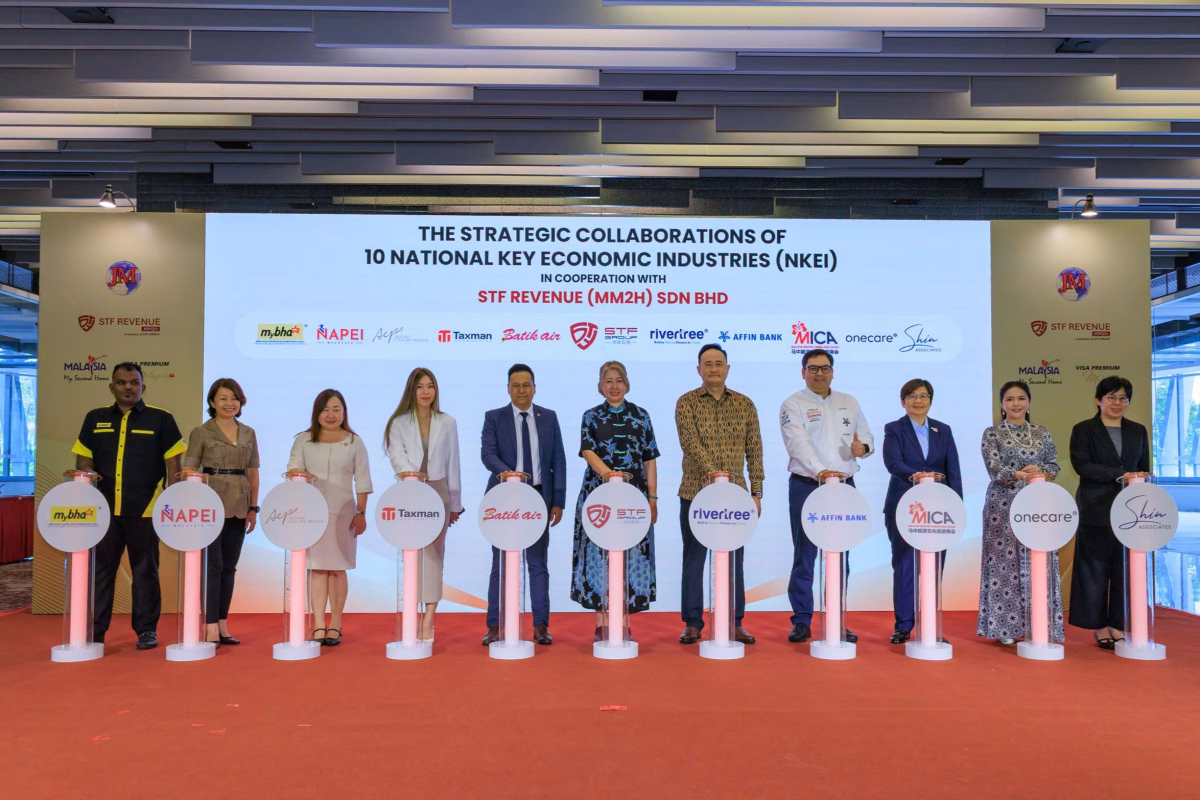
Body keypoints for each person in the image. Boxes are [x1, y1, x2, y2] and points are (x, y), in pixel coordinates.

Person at [71, 362, 185, 650]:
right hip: (104, 511)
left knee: (145, 571)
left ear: (143, 387)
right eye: (122, 382)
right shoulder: (94, 418)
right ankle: (95, 631)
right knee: (102, 571)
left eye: (134, 382)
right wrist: (87, 479)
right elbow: (83, 461)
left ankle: (146, 630)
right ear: (112, 387)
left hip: (145, 511)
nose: (128, 387)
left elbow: (174, 464)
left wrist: (171, 505)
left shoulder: (161, 419)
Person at [779, 348, 873, 644]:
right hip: (807, 485)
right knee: (804, 554)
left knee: (840, 556)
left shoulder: (849, 402)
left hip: (844, 487)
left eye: (825, 368)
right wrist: (823, 472)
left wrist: (864, 449)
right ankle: (802, 620)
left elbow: (866, 436)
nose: (820, 373)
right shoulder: (792, 404)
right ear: (803, 371)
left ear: (833, 371)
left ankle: (836, 619)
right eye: (813, 368)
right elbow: (797, 444)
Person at [676, 343, 764, 645]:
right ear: (698, 369)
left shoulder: (744, 404)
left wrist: (756, 492)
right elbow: (690, 443)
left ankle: (734, 621)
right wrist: (715, 472)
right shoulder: (686, 402)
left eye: (719, 363)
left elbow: (755, 451)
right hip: (695, 491)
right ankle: (692, 623)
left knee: (734, 560)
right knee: (694, 559)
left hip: (735, 498)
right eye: (707, 364)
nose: (713, 368)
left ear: (727, 368)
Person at [571, 361, 660, 640]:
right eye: (608, 381)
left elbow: (649, 459)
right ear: (600, 385)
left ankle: (622, 623)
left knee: (630, 556)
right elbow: (588, 451)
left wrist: (653, 498)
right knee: (599, 556)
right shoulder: (591, 416)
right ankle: (601, 622)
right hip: (599, 497)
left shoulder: (641, 415)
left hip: (635, 499)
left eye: (618, 380)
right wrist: (610, 477)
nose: (613, 386)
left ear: (627, 383)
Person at [480, 364, 567, 646]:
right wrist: (509, 474)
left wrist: (559, 501)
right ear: (508, 388)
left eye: (526, 385)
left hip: (540, 499)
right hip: (504, 499)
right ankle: (494, 627)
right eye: (515, 385)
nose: (521, 390)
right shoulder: (494, 417)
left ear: (534, 387)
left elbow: (558, 461)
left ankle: (541, 625)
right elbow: (488, 454)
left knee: (538, 564)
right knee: (500, 565)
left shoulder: (549, 417)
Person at [977, 381, 1064, 645]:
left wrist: (1041, 472)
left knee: (1040, 562)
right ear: (1002, 404)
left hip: (1038, 505)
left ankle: (1039, 624)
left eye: (1021, 398)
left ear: (1029, 402)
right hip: (1002, 506)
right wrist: (1018, 474)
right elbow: (994, 468)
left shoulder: (1041, 432)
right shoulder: (992, 433)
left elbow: (1054, 464)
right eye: (1010, 399)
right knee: (1004, 563)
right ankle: (1005, 627)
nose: (1016, 404)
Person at [1068, 375, 1150, 649]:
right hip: (1096, 508)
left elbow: (1143, 467)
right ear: (1098, 400)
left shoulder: (1138, 431)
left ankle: (1118, 625)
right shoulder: (1083, 429)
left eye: (1123, 398)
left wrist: (1137, 479)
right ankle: (1099, 627)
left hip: (1132, 511)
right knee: (1095, 569)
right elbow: (1082, 466)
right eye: (1111, 397)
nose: (1117, 403)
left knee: (1125, 569)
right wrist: (1121, 475)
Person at [286, 389, 373, 646]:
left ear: (344, 412)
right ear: (317, 413)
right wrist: (296, 472)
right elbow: (293, 467)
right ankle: (319, 625)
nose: (331, 414)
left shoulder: (354, 441)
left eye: (336, 409)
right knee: (316, 569)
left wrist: (361, 512)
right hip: (310, 513)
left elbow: (363, 480)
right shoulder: (303, 440)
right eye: (325, 409)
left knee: (337, 570)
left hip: (343, 513)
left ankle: (335, 623)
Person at [384, 367, 463, 642]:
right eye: (420, 387)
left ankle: (428, 619)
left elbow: (454, 464)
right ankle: (409, 614)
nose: (426, 391)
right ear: (411, 390)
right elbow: (397, 456)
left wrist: (455, 504)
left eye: (430, 386)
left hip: (438, 492)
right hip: (409, 493)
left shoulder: (448, 422)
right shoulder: (398, 423)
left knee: (434, 557)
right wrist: (412, 477)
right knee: (412, 556)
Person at [883, 379, 963, 644]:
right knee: (905, 566)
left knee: (933, 567)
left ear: (930, 400)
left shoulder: (944, 430)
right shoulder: (894, 429)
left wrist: (957, 505)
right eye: (912, 396)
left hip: (939, 510)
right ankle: (904, 626)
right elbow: (893, 462)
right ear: (902, 401)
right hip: (905, 506)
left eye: (923, 396)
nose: (918, 401)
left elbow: (953, 470)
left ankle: (930, 624)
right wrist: (916, 475)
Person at [182, 378, 261, 646]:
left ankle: (223, 625)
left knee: (229, 568)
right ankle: (210, 626)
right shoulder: (201, 432)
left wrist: (253, 508)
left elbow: (253, 473)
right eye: (223, 398)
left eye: (234, 398)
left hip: (240, 505)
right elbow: (188, 470)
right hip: (209, 505)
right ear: (212, 402)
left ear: (241, 402)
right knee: (213, 567)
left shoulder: (249, 432)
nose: (230, 403)